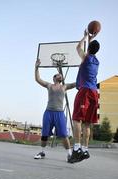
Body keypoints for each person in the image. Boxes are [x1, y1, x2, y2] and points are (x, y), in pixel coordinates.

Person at [34, 59, 76, 161]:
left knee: (64, 135)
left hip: (59, 113)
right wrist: (36, 68)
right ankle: (42, 152)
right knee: (45, 134)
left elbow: (76, 83)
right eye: (58, 75)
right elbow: (38, 79)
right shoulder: (49, 85)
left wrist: (84, 74)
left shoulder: (65, 86)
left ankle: (69, 154)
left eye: (60, 75)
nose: (60, 75)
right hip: (48, 112)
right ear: (54, 78)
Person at [68, 30, 100, 163]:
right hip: (94, 93)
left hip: (85, 91)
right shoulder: (97, 61)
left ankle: (76, 148)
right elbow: (90, 50)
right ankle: (85, 149)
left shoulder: (86, 58)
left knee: (76, 119)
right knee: (87, 123)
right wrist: (92, 39)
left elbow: (78, 47)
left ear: (89, 49)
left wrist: (86, 36)